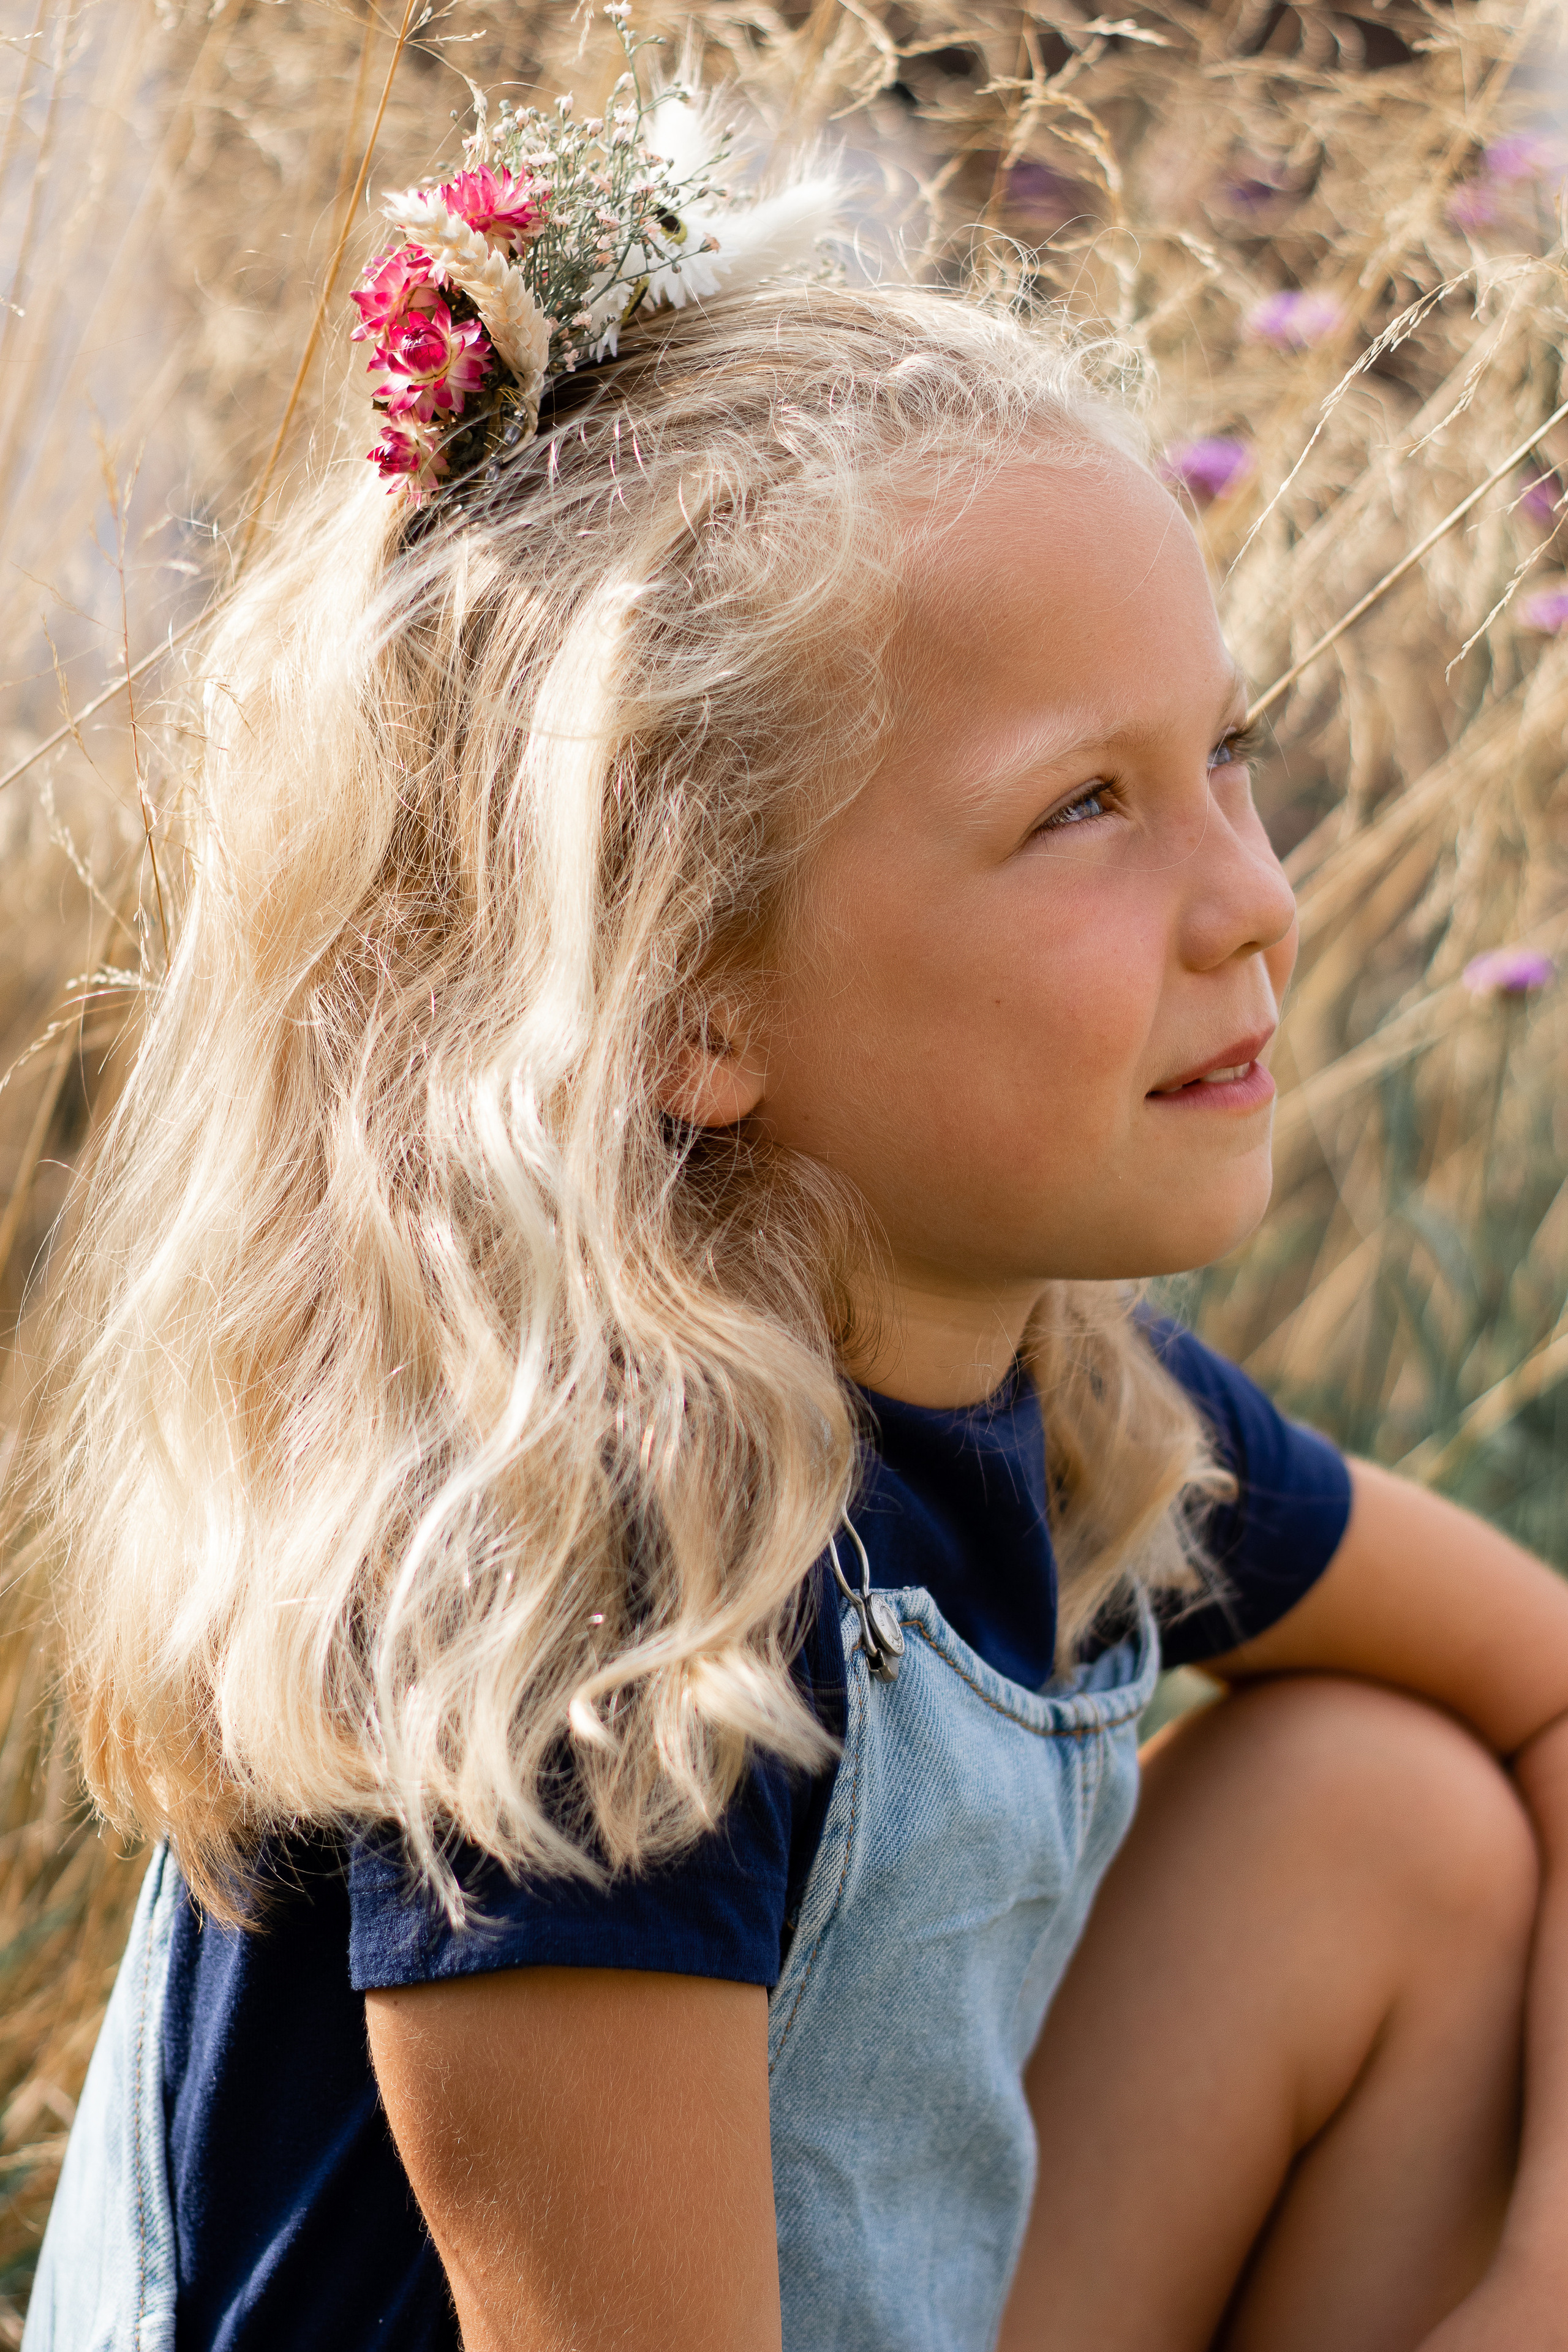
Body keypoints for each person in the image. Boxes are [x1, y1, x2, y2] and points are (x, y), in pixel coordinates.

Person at [20, 40, 1568, 2352]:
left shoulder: (1055, 1396)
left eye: (1219, 758)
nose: (1253, 897)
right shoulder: (581, 1623)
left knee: (1392, 1816)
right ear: (688, 1005)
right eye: (1083, 812)